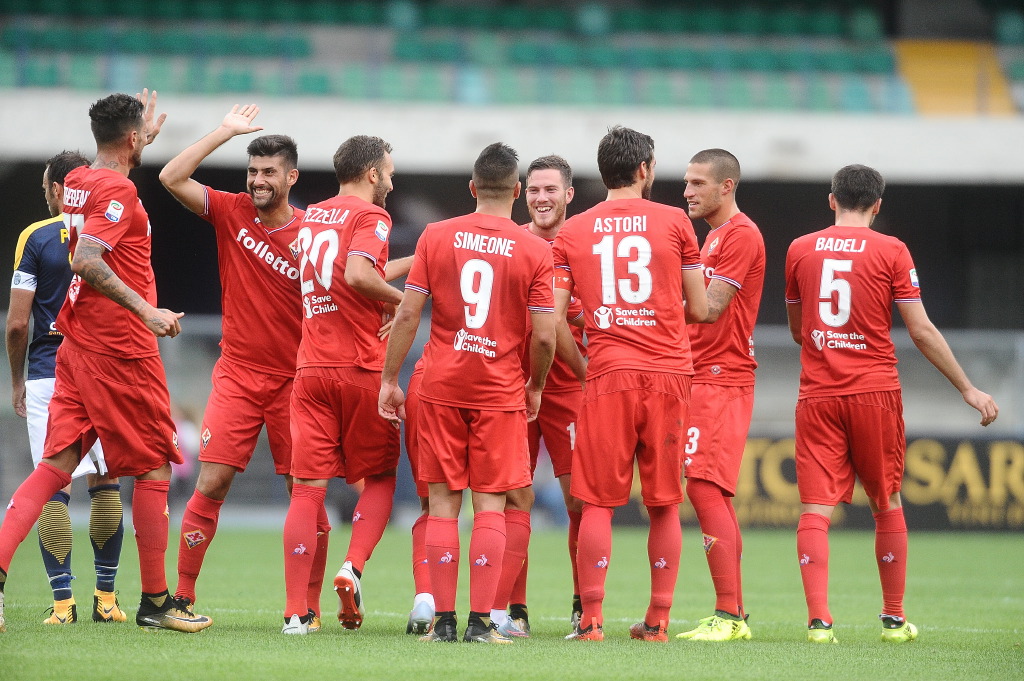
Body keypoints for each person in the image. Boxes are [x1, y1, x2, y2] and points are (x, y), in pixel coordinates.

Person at [0, 90, 211, 633]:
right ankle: (157, 603)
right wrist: (147, 310)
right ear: (131, 138)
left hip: (73, 345)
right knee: (155, 467)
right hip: (118, 348)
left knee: (55, 467)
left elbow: (104, 198)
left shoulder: (78, 181)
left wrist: (139, 142)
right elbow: (86, 259)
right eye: (140, 135)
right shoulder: (114, 187)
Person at [784, 164, 998, 644]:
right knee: (886, 502)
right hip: (874, 391)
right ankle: (894, 620)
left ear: (831, 199)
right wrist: (967, 388)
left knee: (816, 509)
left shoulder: (800, 248)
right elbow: (920, 330)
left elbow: (798, 329)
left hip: (818, 393)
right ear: (878, 205)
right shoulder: (892, 250)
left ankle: (819, 623)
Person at [157, 105, 328, 626]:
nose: (256, 180)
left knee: (307, 495)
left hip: (295, 383)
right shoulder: (231, 211)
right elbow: (170, 176)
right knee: (211, 483)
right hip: (236, 374)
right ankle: (182, 596)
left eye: (268, 172)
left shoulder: (314, 232)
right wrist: (226, 133)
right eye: (252, 171)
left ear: (291, 177)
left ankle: (308, 607)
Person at [379, 142, 556, 644]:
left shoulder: (437, 236)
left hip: (438, 385)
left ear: (473, 188)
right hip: (499, 390)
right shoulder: (536, 250)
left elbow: (409, 313)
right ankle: (483, 623)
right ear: (518, 192)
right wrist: (535, 387)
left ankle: (443, 624)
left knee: (441, 505)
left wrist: (391, 380)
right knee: (492, 506)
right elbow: (545, 335)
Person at [551, 126, 708, 642]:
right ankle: (658, 621)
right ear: (645, 170)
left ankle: (591, 620)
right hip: (668, 374)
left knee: (596, 501)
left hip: (609, 375)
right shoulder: (676, 221)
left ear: (603, 172)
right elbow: (702, 308)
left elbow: (552, 322)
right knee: (663, 502)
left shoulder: (574, 232)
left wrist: (584, 366)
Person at [281, 135, 404, 635]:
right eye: (389, 172)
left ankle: (295, 614)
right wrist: (403, 302)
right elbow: (357, 274)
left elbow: (343, 273)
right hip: (360, 366)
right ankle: (352, 566)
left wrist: (413, 267)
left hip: (310, 368)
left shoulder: (312, 216)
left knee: (306, 491)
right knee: (381, 477)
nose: (392, 181)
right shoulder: (372, 217)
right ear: (372, 172)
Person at [6, 151, 126, 625]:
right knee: (107, 483)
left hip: (49, 372)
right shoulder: (115, 229)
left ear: (58, 189)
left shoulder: (35, 237)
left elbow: (17, 324)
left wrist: (17, 380)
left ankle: (62, 605)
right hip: (104, 370)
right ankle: (107, 601)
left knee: (54, 487)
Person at [490, 154, 587, 637]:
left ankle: (580, 604)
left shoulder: (585, 244)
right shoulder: (511, 242)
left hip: (569, 387)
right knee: (515, 496)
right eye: (534, 190)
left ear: (569, 194)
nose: (542, 198)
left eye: (551, 190)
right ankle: (515, 611)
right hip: (513, 385)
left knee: (579, 500)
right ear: (522, 194)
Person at [676, 149, 764, 642]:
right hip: (701, 375)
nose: (687, 191)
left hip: (720, 375)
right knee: (713, 492)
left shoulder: (741, 235)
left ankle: (728, 616)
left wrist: (645, 310)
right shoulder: (712, 239)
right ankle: (735, 614)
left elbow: (710, 307)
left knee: (704, 487)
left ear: (726, 186)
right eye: (687, 182)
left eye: (697, 183)